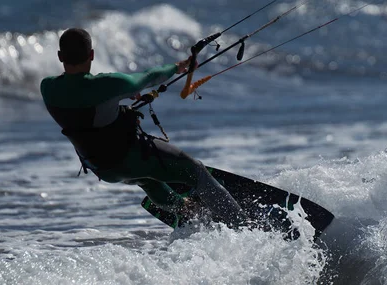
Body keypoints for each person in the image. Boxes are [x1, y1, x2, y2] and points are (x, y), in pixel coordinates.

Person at [40, 28, 245, 228]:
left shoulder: (47, 88)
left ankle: (188, 210)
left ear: (60, 56)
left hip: (101, 168)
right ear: (92, 55)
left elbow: (83, 109)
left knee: (147, 180)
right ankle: (243, 227)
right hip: (129, 157)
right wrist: (178, 66)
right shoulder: (107, 84)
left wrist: (117, 98)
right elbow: (147, 77)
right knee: (197, 171)